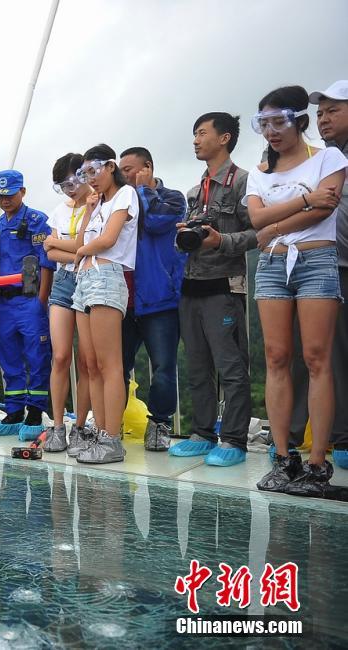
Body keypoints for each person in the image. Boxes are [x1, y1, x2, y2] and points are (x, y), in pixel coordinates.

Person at [244, 86, 347, 496]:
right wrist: (304, 199)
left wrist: (274, 225)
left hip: (316, 259)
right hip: (271, 265)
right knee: (276, 356)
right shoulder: (260, 172)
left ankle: (318, 462)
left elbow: (327, 207)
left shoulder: (329, 157)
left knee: (317, 357)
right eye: (263, 123)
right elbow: (256, 220)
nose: (271, 130)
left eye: (279, 121)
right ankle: (285, 457)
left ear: (299, 119)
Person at [170, 113, 256, 467]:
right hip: (192, 286)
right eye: (193, 134)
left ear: (225, 138)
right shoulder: (195, 191)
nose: (195, 140)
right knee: (197, 366)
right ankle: (202, 433)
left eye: (202, 133)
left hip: (224, 287)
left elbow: (259, 233)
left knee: (230, 366)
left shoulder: (244, 183)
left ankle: (234, 438)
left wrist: (221, 240)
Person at [69, 144, 139, 464]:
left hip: (107, 274)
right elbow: (83, 239)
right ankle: (99, 433)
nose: (90, 179)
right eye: (85, 174)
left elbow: (107, 240)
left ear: (111, 166)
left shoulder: (125, 195)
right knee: (91, 363)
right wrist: (88, 209)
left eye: (94, 171)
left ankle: (112, 437)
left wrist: (81, 252)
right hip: (84, 280)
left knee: (111, 364)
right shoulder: (98, 204)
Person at [117, 147, 187, 451]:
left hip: (159, 300)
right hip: (123, 300)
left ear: (147, 168)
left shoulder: (172, 198)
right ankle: (111, 423)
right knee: (115, 367)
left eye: (130, 169)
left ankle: (159, 422)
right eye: (120, 170)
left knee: (162, 367)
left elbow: (156, 222)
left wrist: (144, 190)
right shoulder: (118, 203)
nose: (124, 175)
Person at [0, 169, 54, 438]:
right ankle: (13, 412)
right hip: (4, 303)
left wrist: (42, 299)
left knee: (37, 356)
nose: (5, 200)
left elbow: (47, 260)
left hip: (30, 300)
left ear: (22, 192)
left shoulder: (37, 221)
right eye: (0, 195)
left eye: (10, 194)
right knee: (8, 357)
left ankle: (35, 412)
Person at [308, 81, 348, 469]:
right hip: (327, 268)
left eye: (333, 110)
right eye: (320, 113)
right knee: (329, 357)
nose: (323, 118)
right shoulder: (320, 162)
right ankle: (342, 438)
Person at [42, 154, 93, 453]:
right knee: (61, 356)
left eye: (74, 181)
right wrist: (74, 248)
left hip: (89, 279)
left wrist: (63, 245)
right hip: (63, 283)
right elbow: (50, 254)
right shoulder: (58, 213)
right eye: (63, 185)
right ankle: (58, 425)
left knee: (88, 360)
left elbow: (82, 245)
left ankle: (82, 426)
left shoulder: (97, 206)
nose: (70, 189)